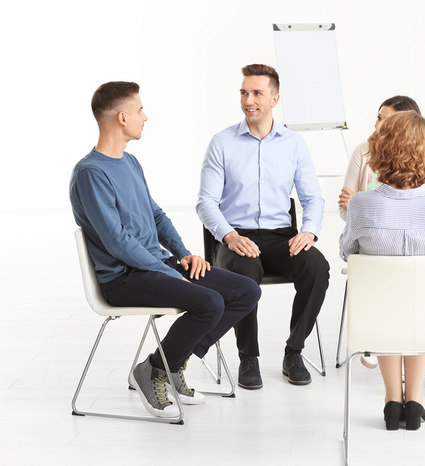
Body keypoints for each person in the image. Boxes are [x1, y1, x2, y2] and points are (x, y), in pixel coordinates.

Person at [70, 81, 261, 418]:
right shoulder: (91, 173)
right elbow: (117, 242)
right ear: (122, 118)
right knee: (209, 302)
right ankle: (159, 369)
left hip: (156, 265)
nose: (146, 116)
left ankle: (166, 364)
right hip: (123, 279)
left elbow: (156, 215)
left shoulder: (130, 163)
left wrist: (184, 254)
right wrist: (168, 271)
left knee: (245, 291)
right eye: (140, 110)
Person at [197, 64, 330, 389]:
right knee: (244, 274)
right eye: (244, 92)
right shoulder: (222, 142)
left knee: (317, 267)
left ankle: (294, 351)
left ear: (274, 99)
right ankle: (249, 357)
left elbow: (313, 198)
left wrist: (309, 231)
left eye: (257, 93)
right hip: (235, 239)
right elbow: (206, 203)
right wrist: (228, 235)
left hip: (280, 238)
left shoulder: (293, 144)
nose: (248, 100)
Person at [339, 111, 425, 430]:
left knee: (390, 302)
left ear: (380, 150)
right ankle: (416, 400)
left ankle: (393, 401)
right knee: (417, 300)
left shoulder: (361, 204)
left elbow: (346, 251)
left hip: (377, 320)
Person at [338, 95, 425, 375]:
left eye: (385, 120)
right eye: (378, 118)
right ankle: (415, 354)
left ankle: (383, 341)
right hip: (386, 261)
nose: (378, 125)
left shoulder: (361, 203)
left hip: (394, 267)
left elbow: (346, 248)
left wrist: (359, 205)